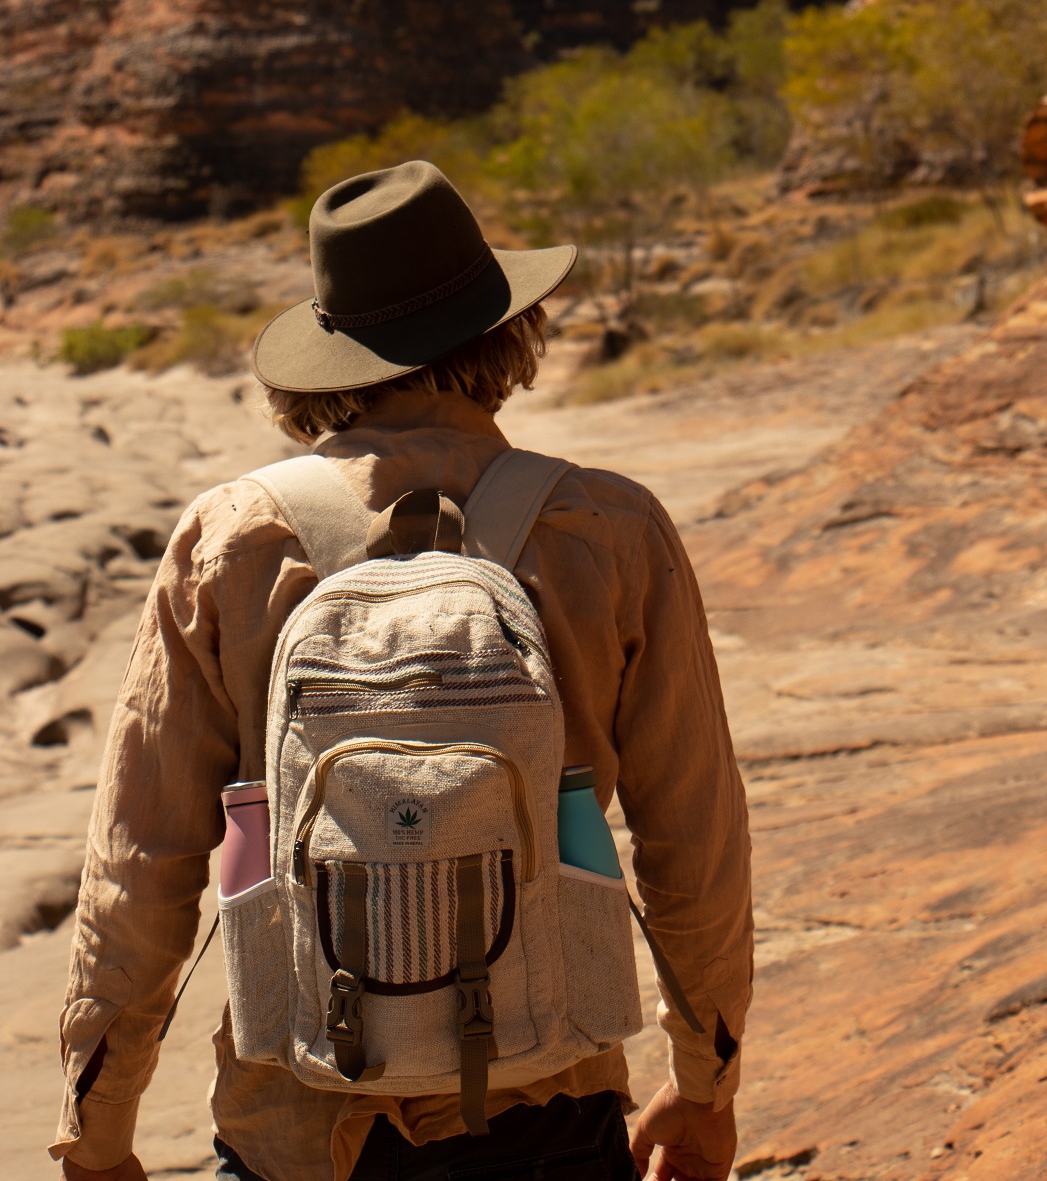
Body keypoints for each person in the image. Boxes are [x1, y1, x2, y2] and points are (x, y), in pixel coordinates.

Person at [52, 160, 752, 1181]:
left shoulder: (233, 538)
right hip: (545, 1103)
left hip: (298, 1118)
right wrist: (705, 1080)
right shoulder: (606, 528)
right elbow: (694, 838)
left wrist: (98, 1125)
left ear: (327, 352)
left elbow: (141, 860)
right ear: (505, 328)